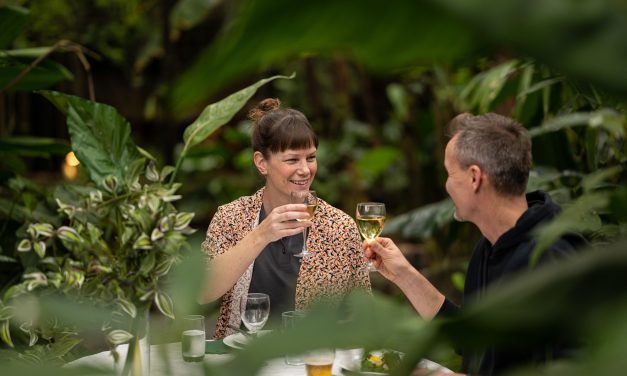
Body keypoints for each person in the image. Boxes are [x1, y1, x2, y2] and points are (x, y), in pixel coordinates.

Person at [364, 113, 585, 375]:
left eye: (449, 173)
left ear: (474, 178)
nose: (447, 186)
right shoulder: (490, 246)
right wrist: (404, 274)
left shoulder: (552, 258)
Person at [199, 98, 370, 338]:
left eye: (310, 158)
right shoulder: (231, 217)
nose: (305, 169)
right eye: (292, 160)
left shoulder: (340, 226)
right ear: (261, 163)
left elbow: (362, 316)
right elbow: (203, 291)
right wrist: (261, 234)